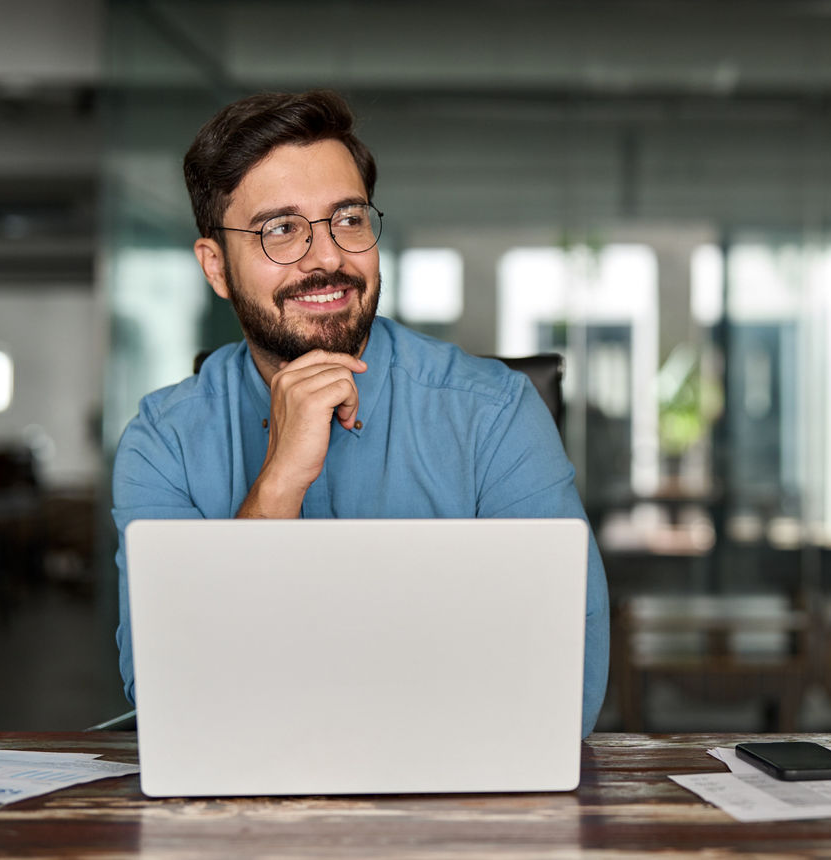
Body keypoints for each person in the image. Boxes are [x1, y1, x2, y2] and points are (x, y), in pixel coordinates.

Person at [112, 90, 609, 737]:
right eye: (280, 229)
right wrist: (277, 484)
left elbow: (571, 685)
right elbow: (165, 691)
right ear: (216, 267)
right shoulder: (163, 442)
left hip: (465, 809)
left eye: (348, 219)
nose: (326, 258)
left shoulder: (496, 415)